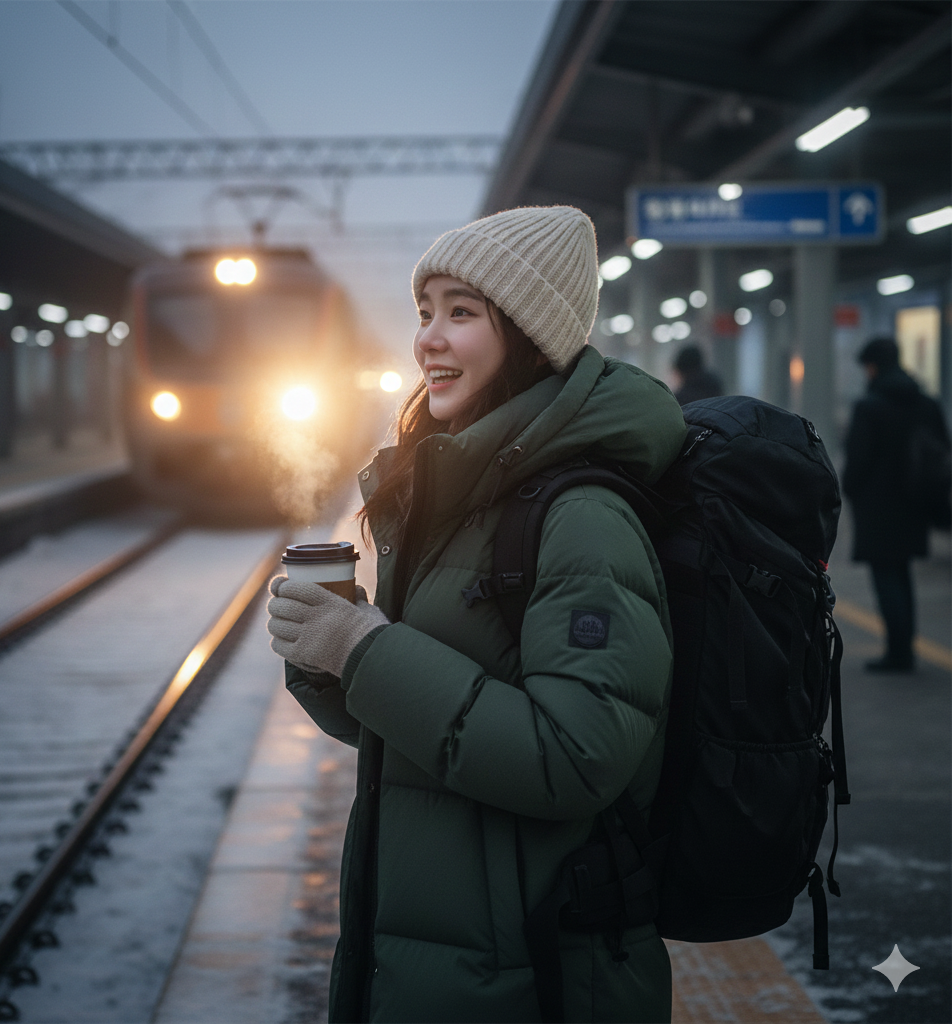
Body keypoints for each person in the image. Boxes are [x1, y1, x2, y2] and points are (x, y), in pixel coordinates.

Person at [267, 206, 686, 1022]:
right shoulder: (467, 490)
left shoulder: (583, 516)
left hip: (535, 971)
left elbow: (576, 755)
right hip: (451, 953)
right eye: (426, 312)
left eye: (462, 312)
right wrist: (329, 660)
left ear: (529, 337)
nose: (429, 337)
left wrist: (366, 653)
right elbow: (426, 739)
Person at [843, 336, 950, 672]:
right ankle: (904, 646)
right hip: (916, 501)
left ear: (873, 366)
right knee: (902, 573)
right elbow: (941, 450)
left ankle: (899, 652)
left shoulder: (870, 406)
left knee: (886, 576)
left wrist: (850, 489)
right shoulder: (926, 403)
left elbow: (858, 460)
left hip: (879, 507)